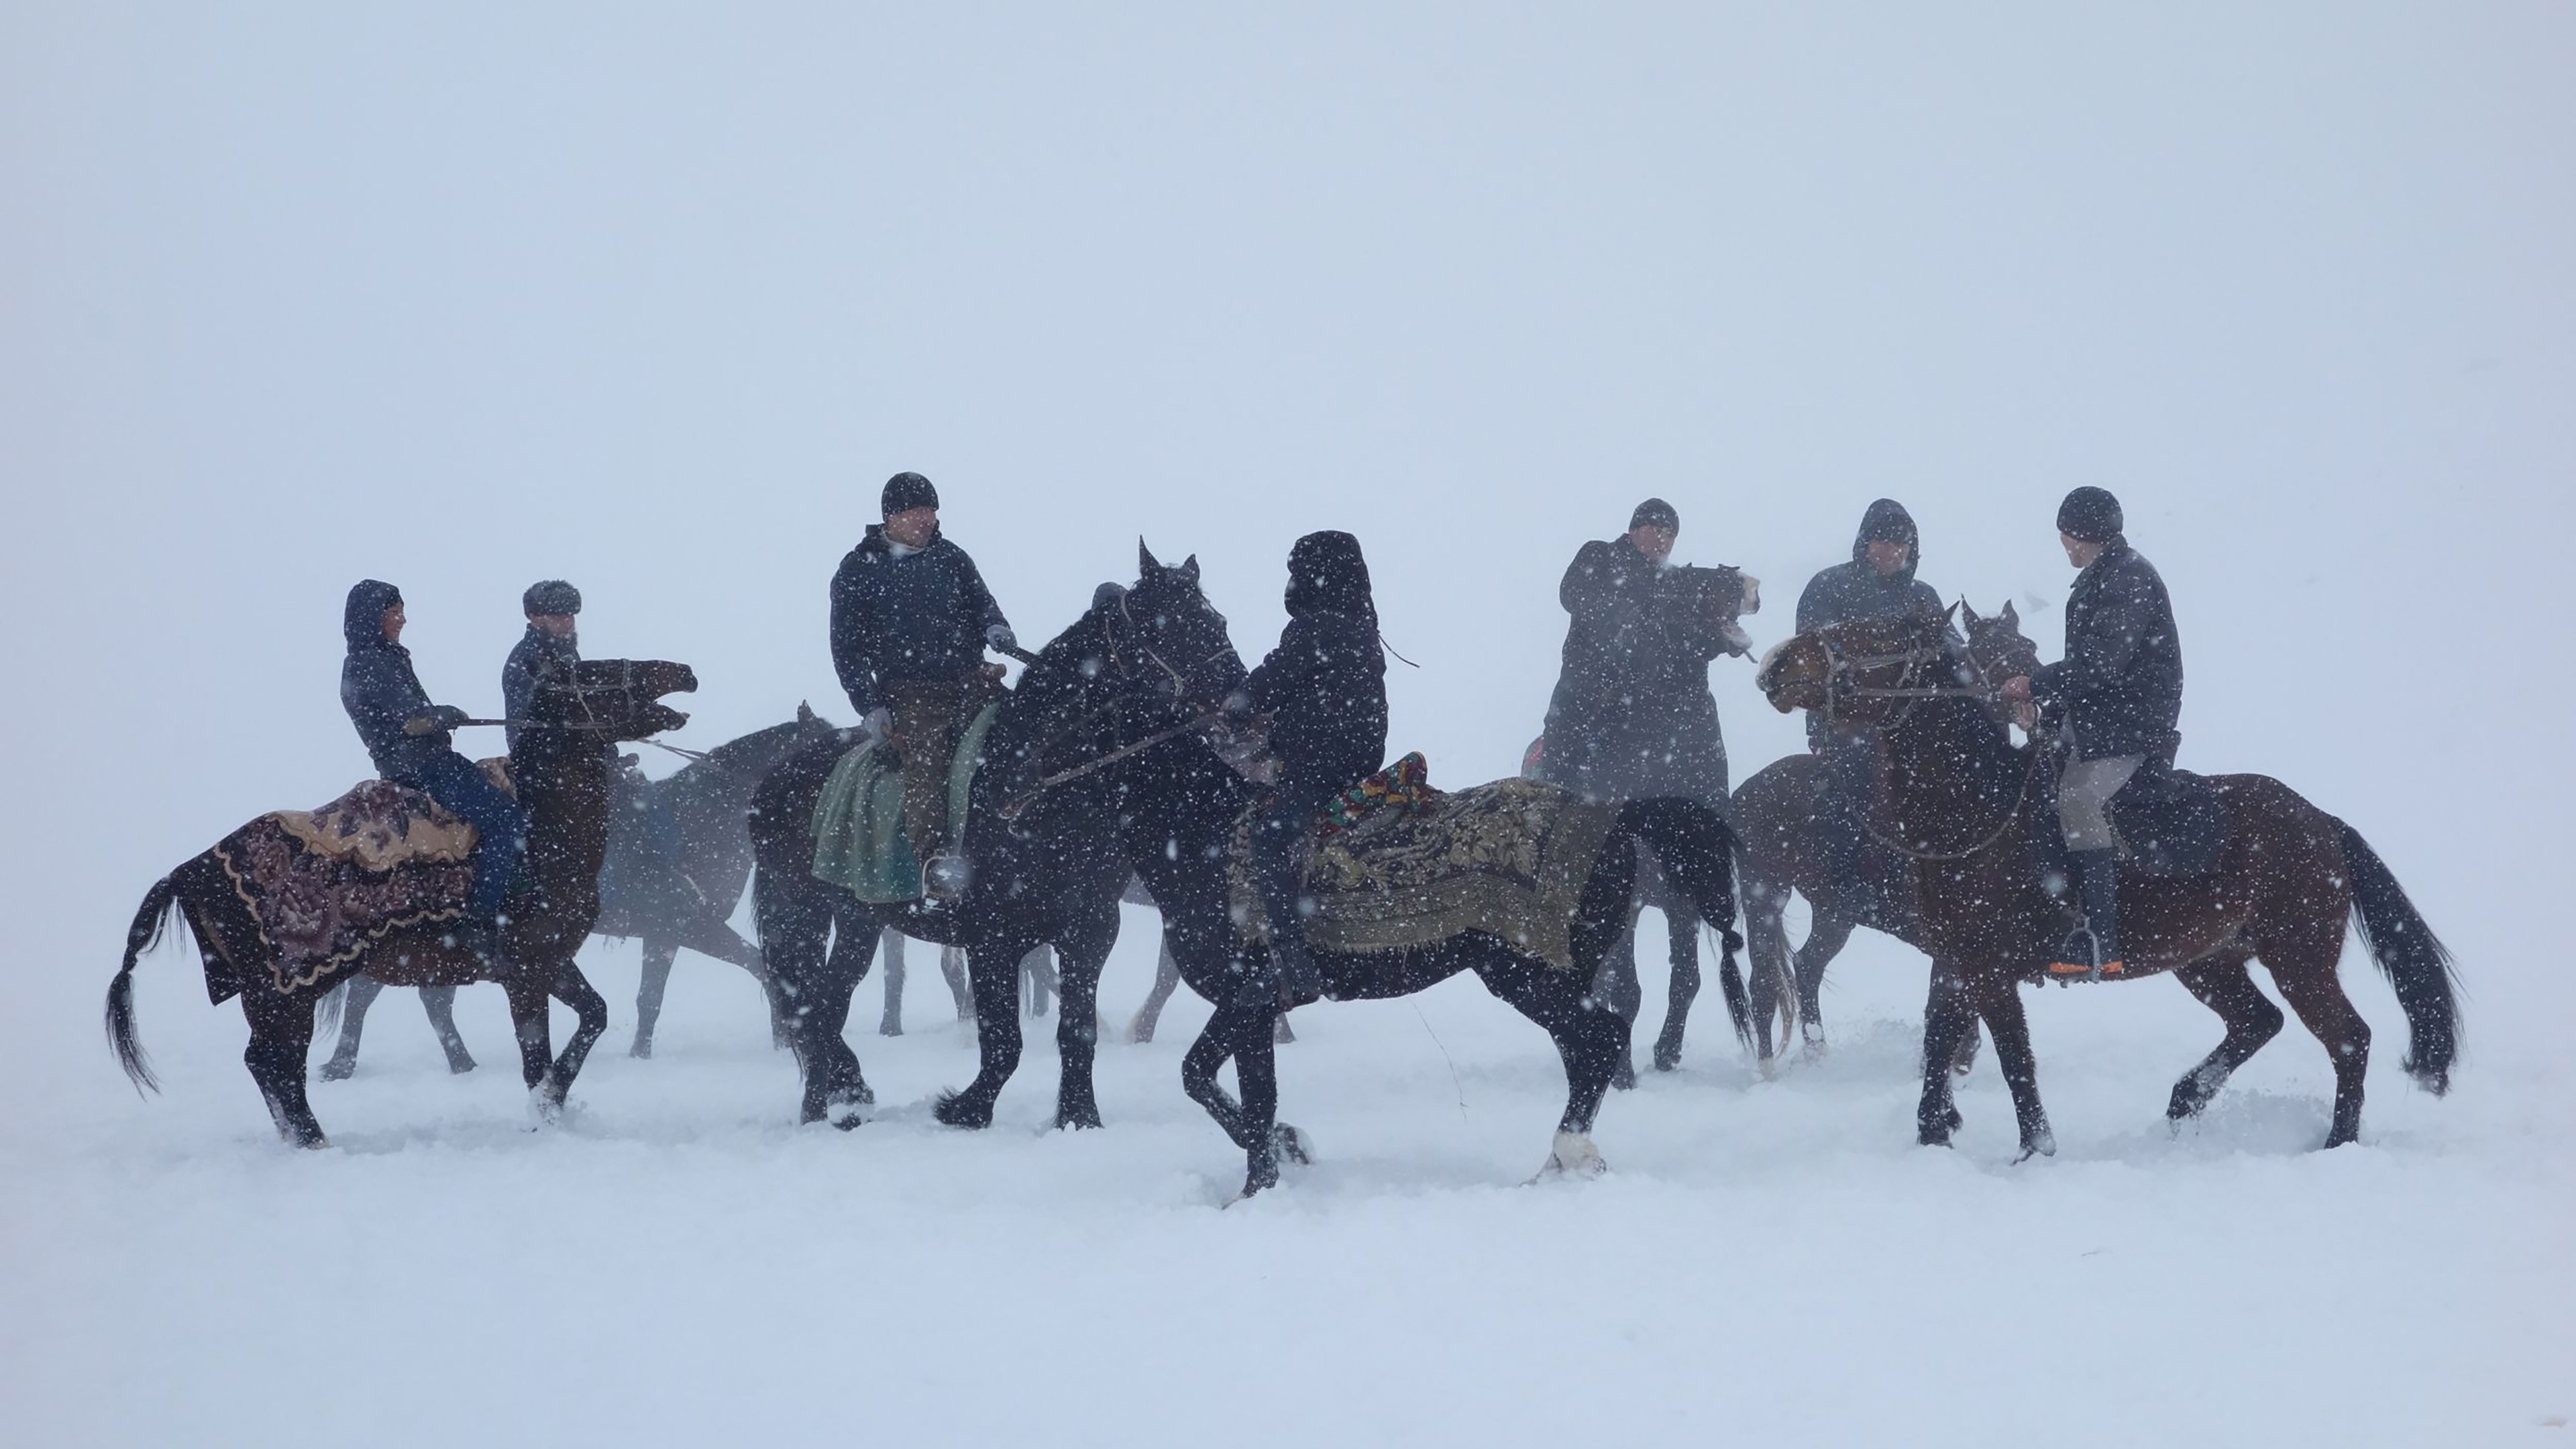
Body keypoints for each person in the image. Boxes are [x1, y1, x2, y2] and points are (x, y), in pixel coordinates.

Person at [2000, 486, 2184, 977]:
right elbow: (2087, 676)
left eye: (2069, 537)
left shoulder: (2129, 579)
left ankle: (2103, 940)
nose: (2065, 547)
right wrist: (2044, 712)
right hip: (2097, 723)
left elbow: (2101, 665)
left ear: (2090, 535)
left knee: (2078, 798)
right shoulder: (2100, 579)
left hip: (2133, 727)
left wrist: (2034, 681)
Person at [828, 471, 1016, 898]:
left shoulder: (951, 557)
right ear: (892, 516)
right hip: (913, 695)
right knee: (929, 760)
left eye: (932, 512)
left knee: (1025, 729)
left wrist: (995, 626)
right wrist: (870, 705)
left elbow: (982, 602)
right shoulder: (859, 570)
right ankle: (934, 862)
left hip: (975, 682)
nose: (928, 520)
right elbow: (847, 649)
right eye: (919, 512)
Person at [1233, 531, 1388, 1004]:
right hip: (1359, 757)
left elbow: (1269, 682)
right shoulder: (1362, 624)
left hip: (1319, 763)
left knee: (1270, 838)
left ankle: (1291, 963)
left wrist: (1236, 705)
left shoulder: (1314, 627)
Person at [339, 580, 528, 953]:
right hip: (425, 769)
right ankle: (481, 917)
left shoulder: (379, 657)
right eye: (395, 612)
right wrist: (444, 715)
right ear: (374, 618)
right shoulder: (371, 662)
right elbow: (412, 722)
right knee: (508, 819)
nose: (403, 620)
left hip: (425, 763)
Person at [1793, 499, 1949, 923]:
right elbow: (1812, 659)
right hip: (1847, 721)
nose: (1894, 550)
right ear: (1866, 543)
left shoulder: (1924, 597)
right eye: (1885, 541)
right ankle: (1845, 881)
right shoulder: (1828, 588)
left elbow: (1950, 654)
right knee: (1852, 782)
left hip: (1914, 726)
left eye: (1902, 543)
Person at [1538, 498, 1742, 810]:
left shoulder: (1676, 584)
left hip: (1646, 719)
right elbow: (1573, 593)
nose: (1666, 540)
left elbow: (1687, 649)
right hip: (1588, 701)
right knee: (1560, 796)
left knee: (1699, 774)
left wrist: (1720, 638)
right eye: (1658, 529)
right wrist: (1625, 607)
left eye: (1672, 534)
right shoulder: (1602, 555)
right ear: (1635, 529)